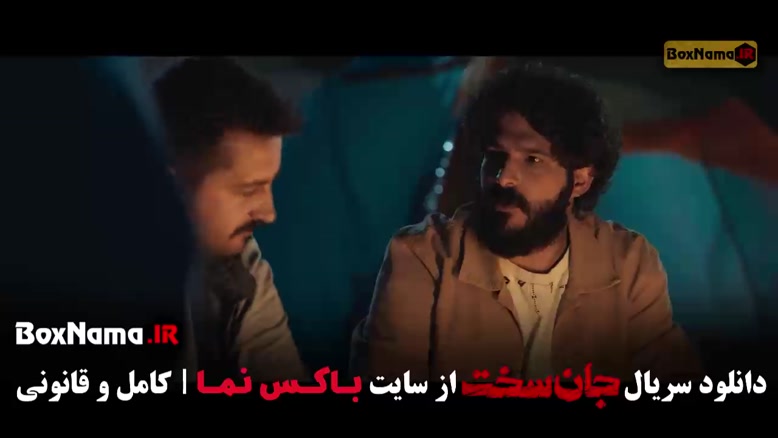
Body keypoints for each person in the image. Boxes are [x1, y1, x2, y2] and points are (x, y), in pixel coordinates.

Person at [351, 63, 702, 383]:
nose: (504, 177)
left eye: (532, 159)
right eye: (496, 156)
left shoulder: (629, 263)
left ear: (580, 181)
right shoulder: (423, 258)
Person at [153, 57, 307, 382]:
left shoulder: (239, 269)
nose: (269, 213)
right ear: (171, 184)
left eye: (269, 185)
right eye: (248, 190)